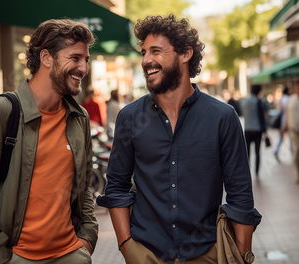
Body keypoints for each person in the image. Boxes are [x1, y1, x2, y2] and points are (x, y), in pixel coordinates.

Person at [97, 14, 261, 264]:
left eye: (155, 51)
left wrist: (240, 255)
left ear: (185, 54)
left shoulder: (221, 117)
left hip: (206, 252)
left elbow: (240, 195)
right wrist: (126, 246)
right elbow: (117, 187)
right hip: (146, 252)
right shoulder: (129, 117)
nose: (146, 60)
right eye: (144, 52)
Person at [0, 19, 98, 264]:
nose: (83, 68)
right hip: (15, 256)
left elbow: (84, 186)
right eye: (75, 58)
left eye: (85, 59)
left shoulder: (79, 117)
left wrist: (87, 238)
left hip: (71, 254)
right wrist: (0, 256)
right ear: (46, 58)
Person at [240, 84, 268, 178]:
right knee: (257, 152)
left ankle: (246, 172)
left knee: (247, 153)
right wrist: (265, 130)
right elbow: (262, 117)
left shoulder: (244, 101)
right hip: (257, 129)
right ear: (259, 91)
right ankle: (256, 173)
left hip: (247, 129)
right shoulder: (260, 101)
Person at [273, 87, 290, 161]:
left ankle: (276, 150)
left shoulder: (282, 99)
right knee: (291, 138)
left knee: (281, 137)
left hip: (283, 121)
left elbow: (279, 110)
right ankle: (294, 154)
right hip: (288, 121)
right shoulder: (289, 99)